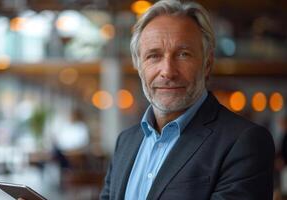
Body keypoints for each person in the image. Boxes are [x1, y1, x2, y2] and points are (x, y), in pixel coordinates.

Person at [100, 0, 275, 200]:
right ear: (138, 65)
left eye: (183, 54)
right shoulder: (126, 141)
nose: (167, 71)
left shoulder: (245, 142)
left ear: (207, 64)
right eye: (153, 56)